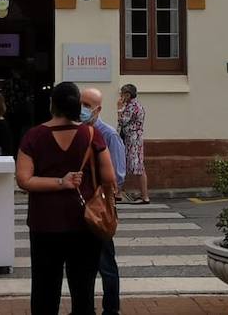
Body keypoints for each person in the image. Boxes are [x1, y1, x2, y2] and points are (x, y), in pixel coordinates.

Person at [17, 81, 117, 315]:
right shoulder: (93, 134)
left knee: (44, 289)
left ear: (52, 104)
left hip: (44, 224)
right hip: (84, 223)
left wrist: (59, 182)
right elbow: (109, 177)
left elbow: (24, 180)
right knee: (83, 290)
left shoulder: (34, 136)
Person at [82, 87, 125, 315]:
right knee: (83, 266)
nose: (82, 109)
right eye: (80, 103)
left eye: (87, 106)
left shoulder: (108, 134)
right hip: (80, 207)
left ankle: (111, 309)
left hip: (99, 208)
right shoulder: (78, 131)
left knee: (106, 263)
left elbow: (118, 174)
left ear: (98, 109)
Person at [116, 83, 149, 204]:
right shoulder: (131, 105)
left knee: (138, 167)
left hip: (133, 141)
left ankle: (145, 196)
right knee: (123, 163)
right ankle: (118, 192)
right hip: (129, 139)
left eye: (122, 93)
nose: (120, 96)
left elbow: (122, 121)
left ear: (128, 95)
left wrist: (119, 108)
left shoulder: (132, 106)